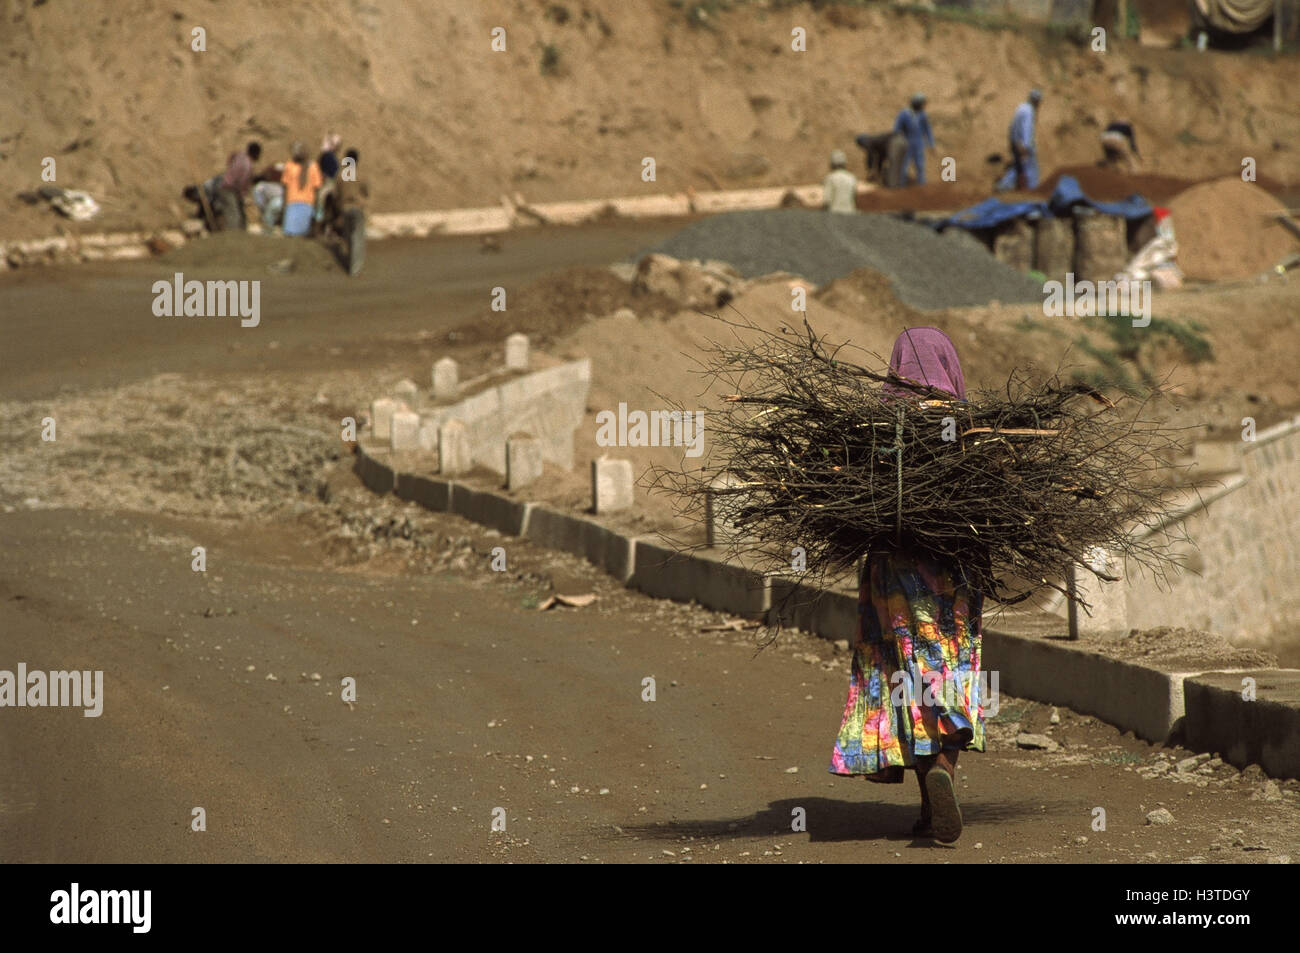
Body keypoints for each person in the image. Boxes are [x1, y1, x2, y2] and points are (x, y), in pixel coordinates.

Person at [829, 327, 986, 845]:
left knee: (906, 676)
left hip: (893, 579)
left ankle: (928, 793)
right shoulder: (970, 434)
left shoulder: (872, 431)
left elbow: (849, 504)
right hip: (952, 578)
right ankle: (944, 768)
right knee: (947, 672)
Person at [995, 89, 1042, 191]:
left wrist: (1014, 142)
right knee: (1030, 169)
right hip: (1023, 145)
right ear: (1036, 101)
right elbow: (1026, 129)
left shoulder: (1021, 107)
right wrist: (1024, 146)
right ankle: (1032, 191)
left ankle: (1004, 185)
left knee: (1019, 166)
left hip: (1015, 142)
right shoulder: (1029, 111)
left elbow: (1013, 127)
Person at [280, 141, 323, 237]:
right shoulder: (289, 165)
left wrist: (316, 208)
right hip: (292, 203)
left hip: (307, 204)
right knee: (289, 234)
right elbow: (285, 187)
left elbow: (317, 189)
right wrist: (284, 204)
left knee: (302, 235)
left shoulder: (313, 167)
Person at [893, 93, 936, 186]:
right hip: (907, 142)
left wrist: (931, 143)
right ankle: (901, 185)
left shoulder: (923, 115)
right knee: (904, 165)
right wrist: (898, 141)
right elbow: (897, 129)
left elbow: (927, 130)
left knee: (920, 165)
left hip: (918, 143)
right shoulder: (904, 114)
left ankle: (921, 185)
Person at [823, 149, 858, 214]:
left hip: (834, 214)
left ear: (832, 164)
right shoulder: (852, 178)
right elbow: (854, 198)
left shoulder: (830, 178)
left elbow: (827, 200)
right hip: (850, 213)